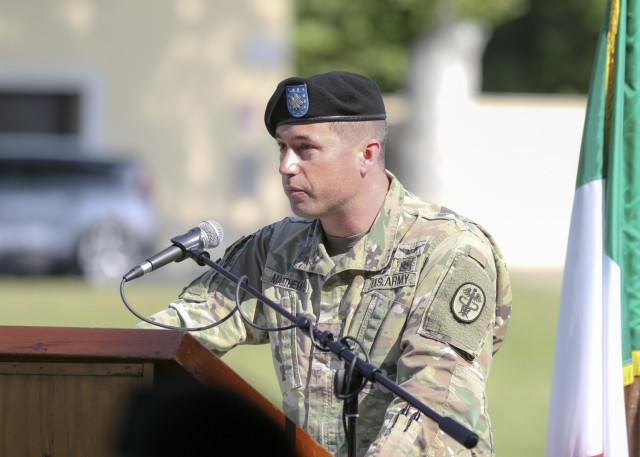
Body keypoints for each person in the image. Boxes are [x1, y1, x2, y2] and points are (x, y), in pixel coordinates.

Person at [135, 71, 512, 457]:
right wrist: (110, 361)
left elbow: (433, 402)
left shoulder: (448, 251)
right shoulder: (277, 248)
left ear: (366, 154)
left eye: (305, 148)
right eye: (282, 147)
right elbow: (177, 334)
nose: (286, 166)